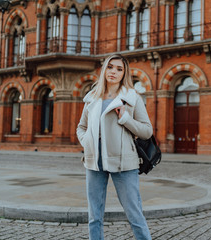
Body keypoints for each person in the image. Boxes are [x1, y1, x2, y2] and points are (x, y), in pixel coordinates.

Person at [76, 54, 153, 240]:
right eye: (110, 67)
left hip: (124, 163)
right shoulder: (92, 97)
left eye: (119, 69)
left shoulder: (132, 97)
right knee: (94, 215)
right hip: (94, 162)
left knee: (134, 214)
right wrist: (86, 142)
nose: (114, 72)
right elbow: (81, 127)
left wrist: (125, 118)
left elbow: (147, 131)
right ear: (104, 70)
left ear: (124, 73)